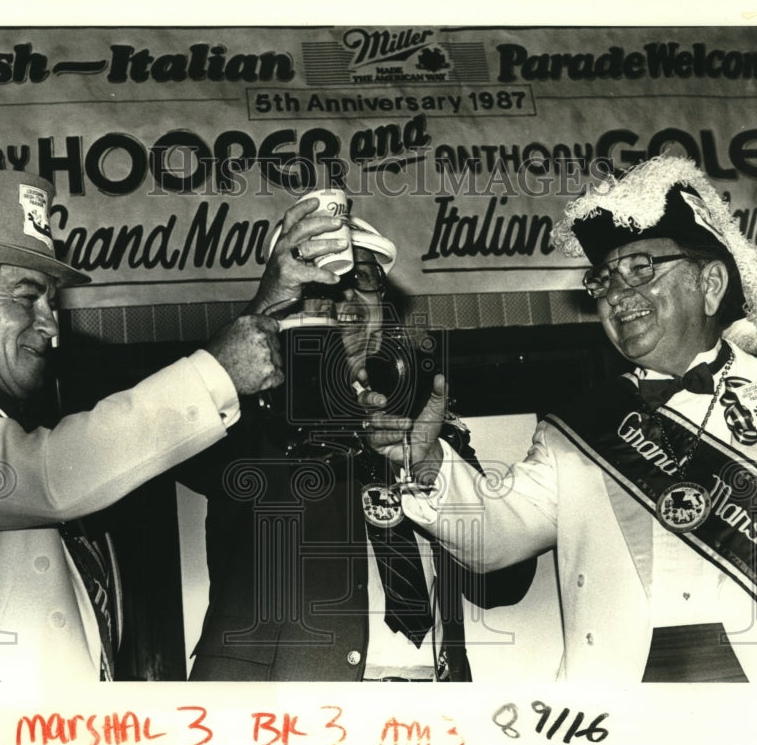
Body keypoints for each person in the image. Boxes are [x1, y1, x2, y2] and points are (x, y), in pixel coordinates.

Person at [368, 155, 757, 683]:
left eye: (641, 268)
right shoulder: (577, 428)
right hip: (616, 695)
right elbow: (491, 540)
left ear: (710, 285)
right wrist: (431, 460)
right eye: (604, 280)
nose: (618, 294)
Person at [0, 169, 283, 684]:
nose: (52, 327)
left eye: (52, 301)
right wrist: (217, 371)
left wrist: (266, 308)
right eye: (27, 297)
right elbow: (53, 476)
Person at [176, 197, 535, 681]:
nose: (346, 301)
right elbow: (173, 443)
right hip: (281, 708)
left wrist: (434, 470)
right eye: (323, 285)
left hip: (428, 709)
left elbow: (500, 582)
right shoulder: (247, 413)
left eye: (362, 281)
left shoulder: (428, 426)